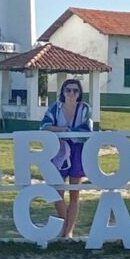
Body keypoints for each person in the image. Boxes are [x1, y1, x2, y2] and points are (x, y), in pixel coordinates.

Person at [41, 78, 92, 239]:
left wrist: (66, 133)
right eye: (68, 90)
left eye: (75, 90)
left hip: (77, 152)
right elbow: (44, 126)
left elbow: (86, 130)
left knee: (75, 194)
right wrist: (63, 130)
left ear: (79, 93)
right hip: (58, 151)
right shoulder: (55, 108)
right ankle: (63, 226)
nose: (71, 93)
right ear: (63, 92)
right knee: (57, 192)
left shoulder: (84, 109)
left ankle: (68, 232)